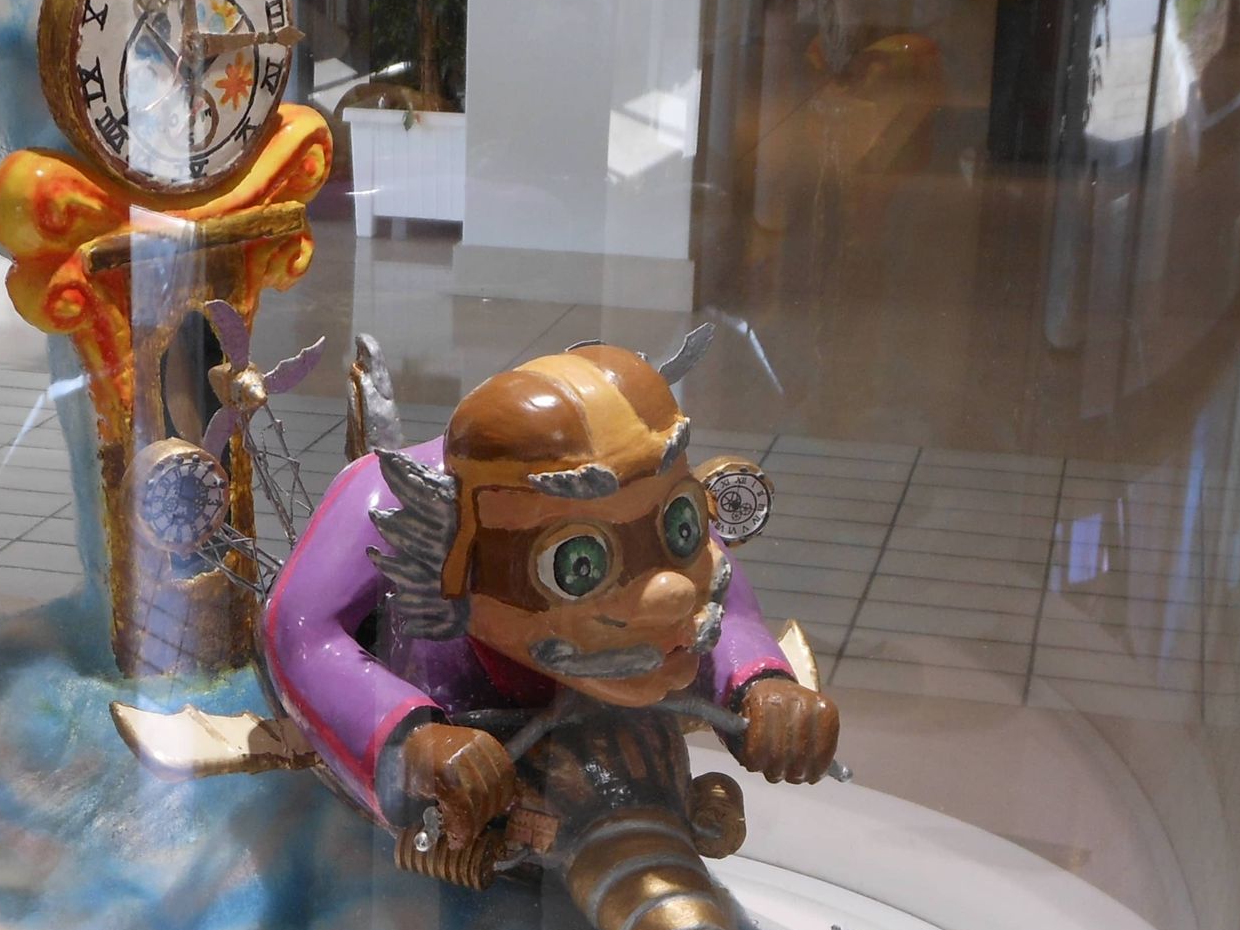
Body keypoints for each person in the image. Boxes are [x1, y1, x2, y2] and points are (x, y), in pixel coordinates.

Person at [262, 338, 839, 849]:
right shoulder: (382, 498)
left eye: (679, 524)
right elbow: (298, 630)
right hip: (462, 714)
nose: (668, 591)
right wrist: (409, 741)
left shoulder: (640, 480)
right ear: (460, 557)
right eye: (578, 563)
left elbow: (718, 586)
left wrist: (759, 682)